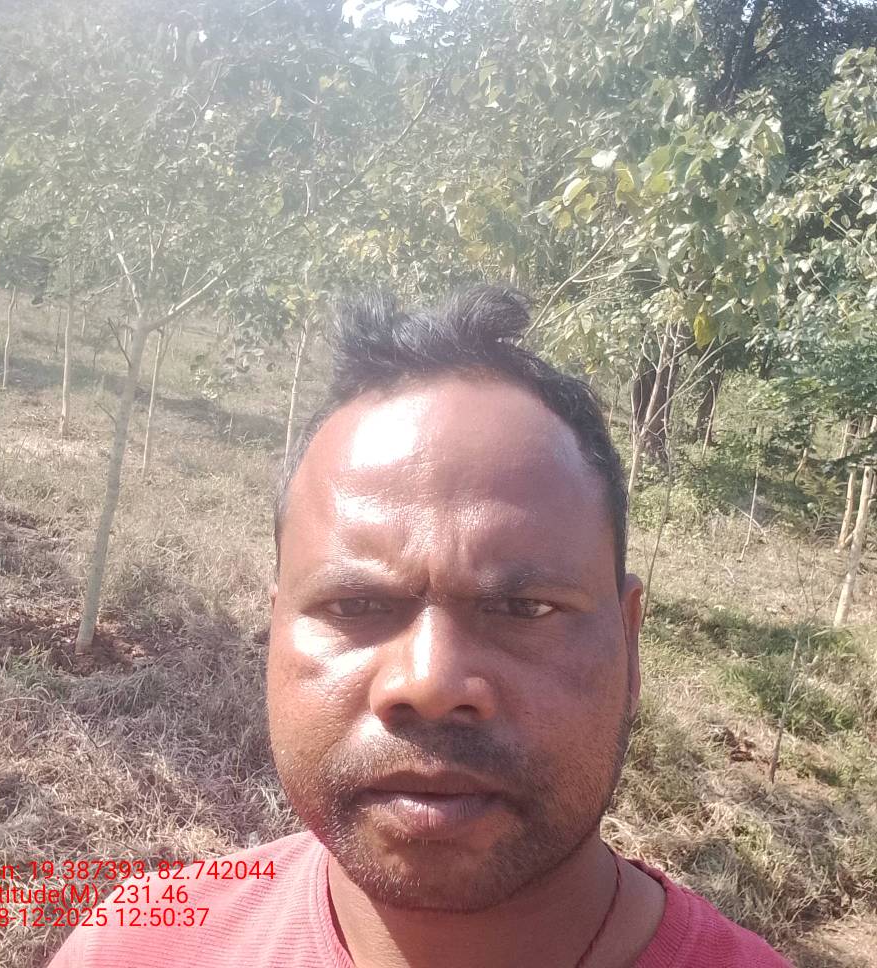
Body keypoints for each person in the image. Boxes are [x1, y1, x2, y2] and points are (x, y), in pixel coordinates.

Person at [49, 286, 791, 967]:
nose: (430, 683)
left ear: (629, 644)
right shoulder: (135, 948)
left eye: (524, 608)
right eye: (354, 605)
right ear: (275, 632)